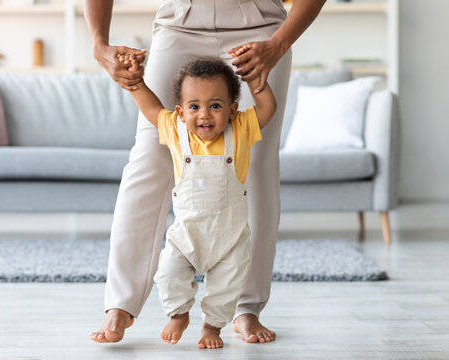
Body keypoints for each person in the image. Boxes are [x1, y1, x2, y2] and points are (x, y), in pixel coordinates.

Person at [85, 0, 326, 344]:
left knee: (255, 161)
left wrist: (278, 44)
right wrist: (98, 44)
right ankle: (121, 304)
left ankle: (246, 307)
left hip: (258, 29)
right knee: (149, 154)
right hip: (178, 24)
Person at [120, 53, 275, 349]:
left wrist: (256, 79)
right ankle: (178, 314)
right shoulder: (176, 131)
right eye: (194, 106)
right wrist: (136, 81)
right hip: (186, 236)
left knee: (226, 287)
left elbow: (268, 107)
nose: (204, 114)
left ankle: (212, 327)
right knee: (167, 273)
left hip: (230, 237)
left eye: (215, 106)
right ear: (180, 112)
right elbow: (152, 108)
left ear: (232, 110)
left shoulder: (240, 129)